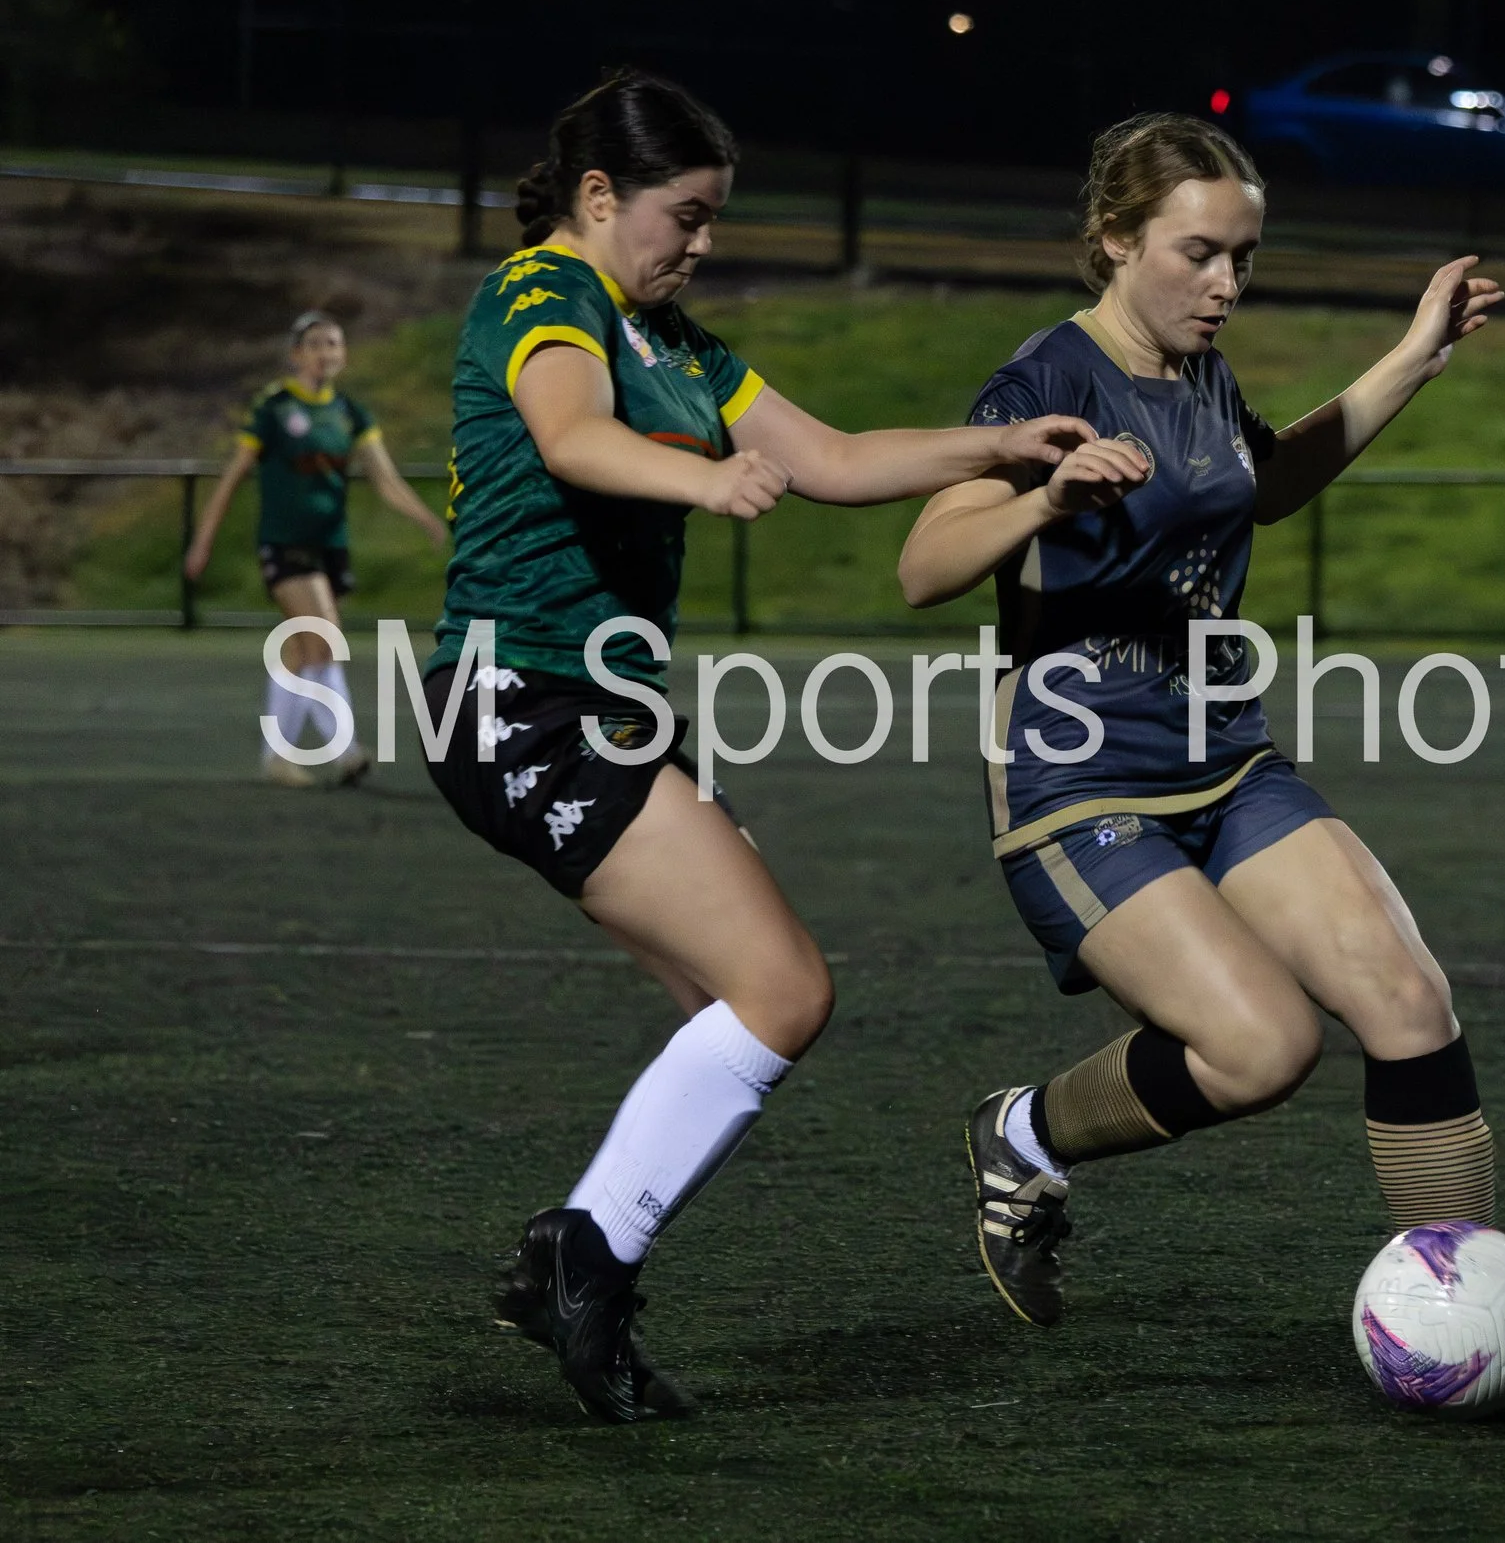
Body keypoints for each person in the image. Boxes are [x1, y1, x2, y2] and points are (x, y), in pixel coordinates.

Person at [420, 69, 1092, 1424]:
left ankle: (577, 1256)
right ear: (597, 196)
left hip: (598, 705)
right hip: (518, 696)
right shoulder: (541, 292)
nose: (703, 241)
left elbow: (831, 457)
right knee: (782, 990)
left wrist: (1000, 447)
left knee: (728, 1007)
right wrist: (706, 477)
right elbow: (571, 434)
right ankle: (582, 1259)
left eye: (713, 217)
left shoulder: (671, 338)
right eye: (686, 214)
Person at [896, 112, 1505, 1416]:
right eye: (1198, 253)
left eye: (1242, 259)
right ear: (1115, 238)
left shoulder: (1199, 370)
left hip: (1226, 759)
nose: (1224, 284)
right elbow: (923, 566)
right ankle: (1022, 1133)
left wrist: (1413, 359)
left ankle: (1473, 1333)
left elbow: (1264, 481)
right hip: (1080, 785)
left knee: (1408, 1001)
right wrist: (1043, 498)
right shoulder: (1049, 378)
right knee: (1261, 1048)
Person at [183, 311, 445, 786]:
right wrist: (203, 541)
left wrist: (426, 517)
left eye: (335, 343)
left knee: (305, 649)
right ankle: (344, 751)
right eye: (317, 343)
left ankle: (278, 757)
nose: (327, 352)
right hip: (286, 543)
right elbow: (232, 478)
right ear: (296, 354)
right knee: (323, 635)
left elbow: (385, 480)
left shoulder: (349, 412)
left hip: (330, 546)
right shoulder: (274, 409)